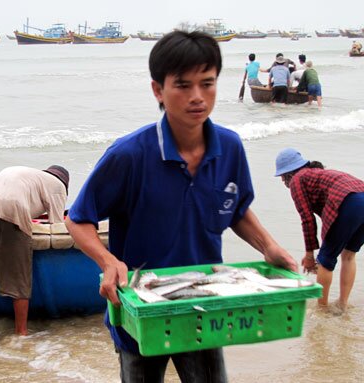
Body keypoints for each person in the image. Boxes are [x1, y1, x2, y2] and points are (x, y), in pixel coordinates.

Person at [65, 30, 297, 382]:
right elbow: (78, 219)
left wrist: (269, 247)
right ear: (158, 89)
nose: (197, 97)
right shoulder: (129, 155)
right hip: (141, 310)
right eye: (183, 85)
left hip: (206, 306)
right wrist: (108, 261)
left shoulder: (230, 148)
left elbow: (234, 209)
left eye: (207, 83)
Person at [0, 165, 69, 343]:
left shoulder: (32, 176)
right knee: (19, 277)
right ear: (65, 183)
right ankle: (21, 332)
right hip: (13, 206)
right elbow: (56, 226)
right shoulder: (58, 186)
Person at [275, 148, 364, 312]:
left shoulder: (297, 179)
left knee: (325, 260)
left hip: (349, 201)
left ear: (289, 173)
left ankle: (322, 310)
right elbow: (332, 217)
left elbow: (307, 219)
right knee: (349, 255)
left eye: (282, 176)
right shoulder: (315, 174)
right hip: (360, 196)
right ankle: (342, 304)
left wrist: (310, 255)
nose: (282, 181)